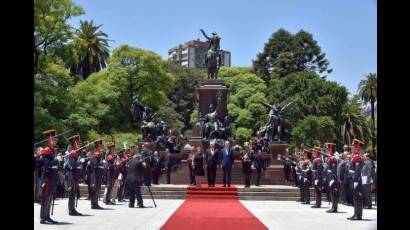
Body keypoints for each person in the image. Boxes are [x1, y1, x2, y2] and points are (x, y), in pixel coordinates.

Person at [38, 130, 60, 224]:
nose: (56, 140)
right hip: (47, 178)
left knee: (50, 197)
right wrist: (56, 160)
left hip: (52, 177)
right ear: (49, 139)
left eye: (56, 139)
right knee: (46, 198)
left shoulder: (52, 150)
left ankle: (47, 216)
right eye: (54, 138)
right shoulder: (46, 150)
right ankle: (43, 217)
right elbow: (47, 165)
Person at [348, 139, 365, 220]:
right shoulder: (354, 157)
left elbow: (357, 170)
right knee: (355, 197)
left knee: (358, 197)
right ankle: (355, 213)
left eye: (353, 147)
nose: (352, 148)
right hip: (354, 179)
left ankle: (358, 215)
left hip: (357, 180)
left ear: (357, 148)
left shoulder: (357, 157)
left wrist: (356, 181)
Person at [66, 135, 83, 216]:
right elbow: (73, 165)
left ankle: (73, 209)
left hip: (75, 175)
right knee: (72, 193)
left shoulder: (76, 152)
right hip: (72, 176)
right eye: (78, 143)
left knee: (74, 193)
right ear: (74, 144)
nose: (79, 144)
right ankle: (71, 210)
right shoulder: (72, 153)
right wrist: (80, 162)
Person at [89, 139, 105, 209]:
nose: (102, 147)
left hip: (98, 174)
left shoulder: (100, 154)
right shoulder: (95, 154)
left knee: (97, 189)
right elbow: (95, 165)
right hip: (94, 175)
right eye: (101, 146)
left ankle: (96, 203)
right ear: (97, 146)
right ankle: (93, 204)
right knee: (94, 189)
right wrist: (102, 163)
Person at [325, 143, 339, 213]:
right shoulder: (330, 157)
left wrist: (333, 179)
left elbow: (334, 169)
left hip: (333, 178)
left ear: (331, 149)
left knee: (334, 193)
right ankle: (333, 207)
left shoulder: (333, 158)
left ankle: (335, 207)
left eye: (329, 149)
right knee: (332, 192)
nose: (327, 150)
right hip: (330, 177)